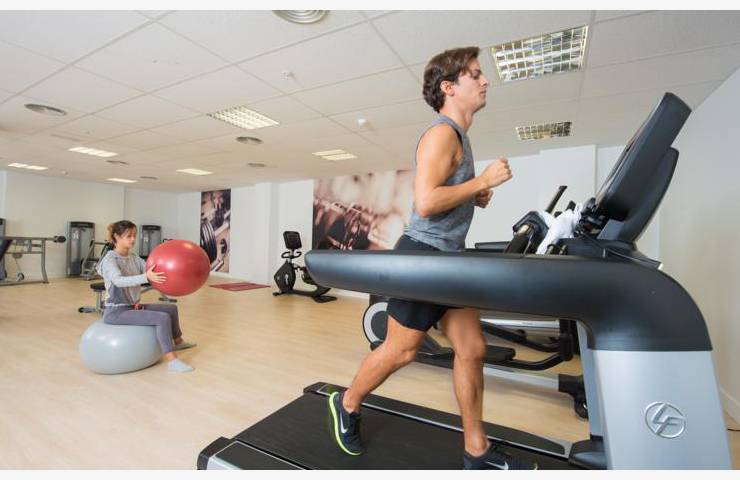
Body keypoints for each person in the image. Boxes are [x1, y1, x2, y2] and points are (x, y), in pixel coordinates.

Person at [327, 46, 536, 470]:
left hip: (450, 259)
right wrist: (480, 180)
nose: (485, 80)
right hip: (424, 256)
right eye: (474, 74)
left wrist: (472, 194)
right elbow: (424, 202)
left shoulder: (460, 136)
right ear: (448, 87)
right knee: (402, 350)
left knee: (472, 349)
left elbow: (440, 194)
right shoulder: (441, 133)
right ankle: (346, 403)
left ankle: (476, 450)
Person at [97, 220, 196, 373]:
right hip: (116, 311)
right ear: (116, 237)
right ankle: (173, 361)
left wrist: (172, 269)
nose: (133, 239)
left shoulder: (133, 257)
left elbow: (150, 269)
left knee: (171, 308)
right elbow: (118, 281)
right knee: (162, 318)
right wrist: (146, 277)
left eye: (134, 235)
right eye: (129, 236)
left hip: (132, 306)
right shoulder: (110, 260)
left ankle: (178, 341)